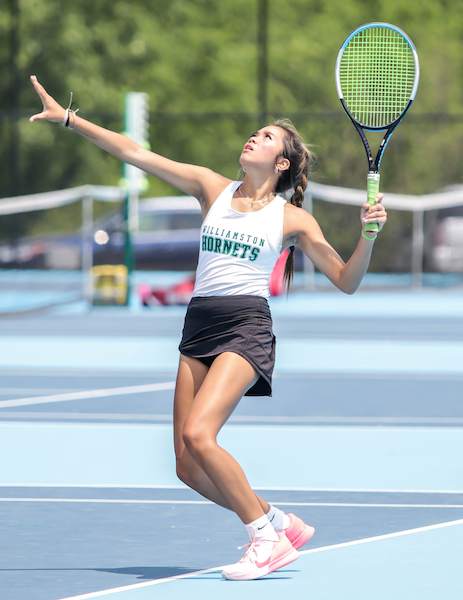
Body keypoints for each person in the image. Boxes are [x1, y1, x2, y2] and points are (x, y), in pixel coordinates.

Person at [29, 75, 387, 581]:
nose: (254, 138)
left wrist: (368, 236)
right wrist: (69, 119)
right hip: (198, 324)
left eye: (267, 137)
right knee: (186, 464)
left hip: (245, 326)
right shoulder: (211, 187)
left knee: (200, 434)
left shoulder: (292, 220)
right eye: (256, 132)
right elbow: (134, 152)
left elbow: (347, 281)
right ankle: (278, 522)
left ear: (282, 164)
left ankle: (265, 540)